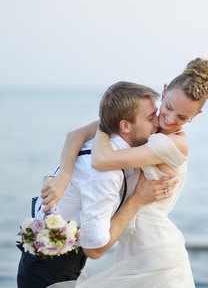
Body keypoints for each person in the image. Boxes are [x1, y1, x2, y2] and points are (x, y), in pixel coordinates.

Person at [46, 58, 208, 287]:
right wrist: (64, 175)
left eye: (182, 118)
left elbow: (101, 160)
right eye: (167, 107)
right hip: (134, 248)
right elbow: (74, 136)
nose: (169, 120)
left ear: (196, 116)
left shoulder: (174, 143)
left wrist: (107, 121)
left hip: (155, 250)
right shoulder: (145, 123)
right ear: (164, 91)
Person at [17, 82, 178, 288]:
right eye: (150, 118)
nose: (158, 123)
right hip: (49, 278)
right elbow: (95, 250)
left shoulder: (105, 139)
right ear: (125, 126)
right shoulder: (106, 173)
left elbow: (74, 134)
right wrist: (138, 199)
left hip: (44, 265)